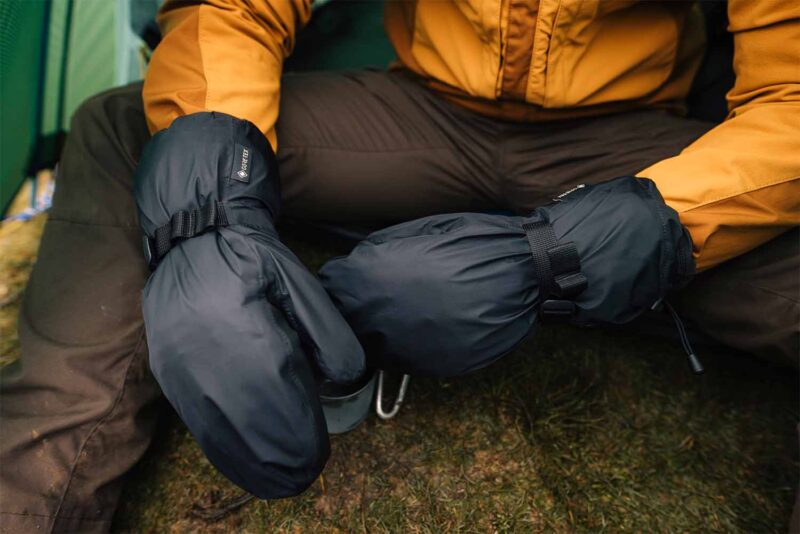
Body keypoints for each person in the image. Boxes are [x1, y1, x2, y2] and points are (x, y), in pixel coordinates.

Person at [1, 0, 798, 531]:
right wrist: (203, 215)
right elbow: (236, 7)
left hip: (633, 142)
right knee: (128, 131)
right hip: (422, 113)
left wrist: (567, 254)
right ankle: (32, 499)